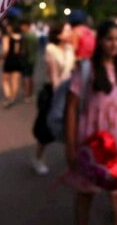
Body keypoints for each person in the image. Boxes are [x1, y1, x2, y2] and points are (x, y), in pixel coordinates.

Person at [65, 21, 117, 225]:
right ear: (100, 41)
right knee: (86, 194)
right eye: (109, 39)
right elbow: (71, 107)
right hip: (94, 140)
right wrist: (70, 147)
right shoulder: (87, 68)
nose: (114, 44)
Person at [31, 21, 75, 175]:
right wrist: (59, 97)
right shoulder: (50, 50)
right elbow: (54, 76)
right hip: (54, 91)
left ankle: (72, 159)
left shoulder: (70, 49)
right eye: (67, 31)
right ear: (58, 34)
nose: (70, 33)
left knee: (71, 126)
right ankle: (38, 158)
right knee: (46, 128)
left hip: (70, 90)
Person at [1, 21, 27, 108]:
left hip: (9, 60)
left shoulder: (7, 37)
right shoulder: (22, 38)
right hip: (18, 60)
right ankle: (13, 98)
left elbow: (6, 50)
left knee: (5, 80)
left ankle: (8, 96)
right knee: (15, 81)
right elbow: (24, 51)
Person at [20, 19, 38, 102]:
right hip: (32, 58)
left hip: (26, 59)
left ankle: (26, 94)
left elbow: (23, 50)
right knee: (30, 77)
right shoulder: (34, 35)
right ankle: (30, 93)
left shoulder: (25, 36)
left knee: (25, 77)